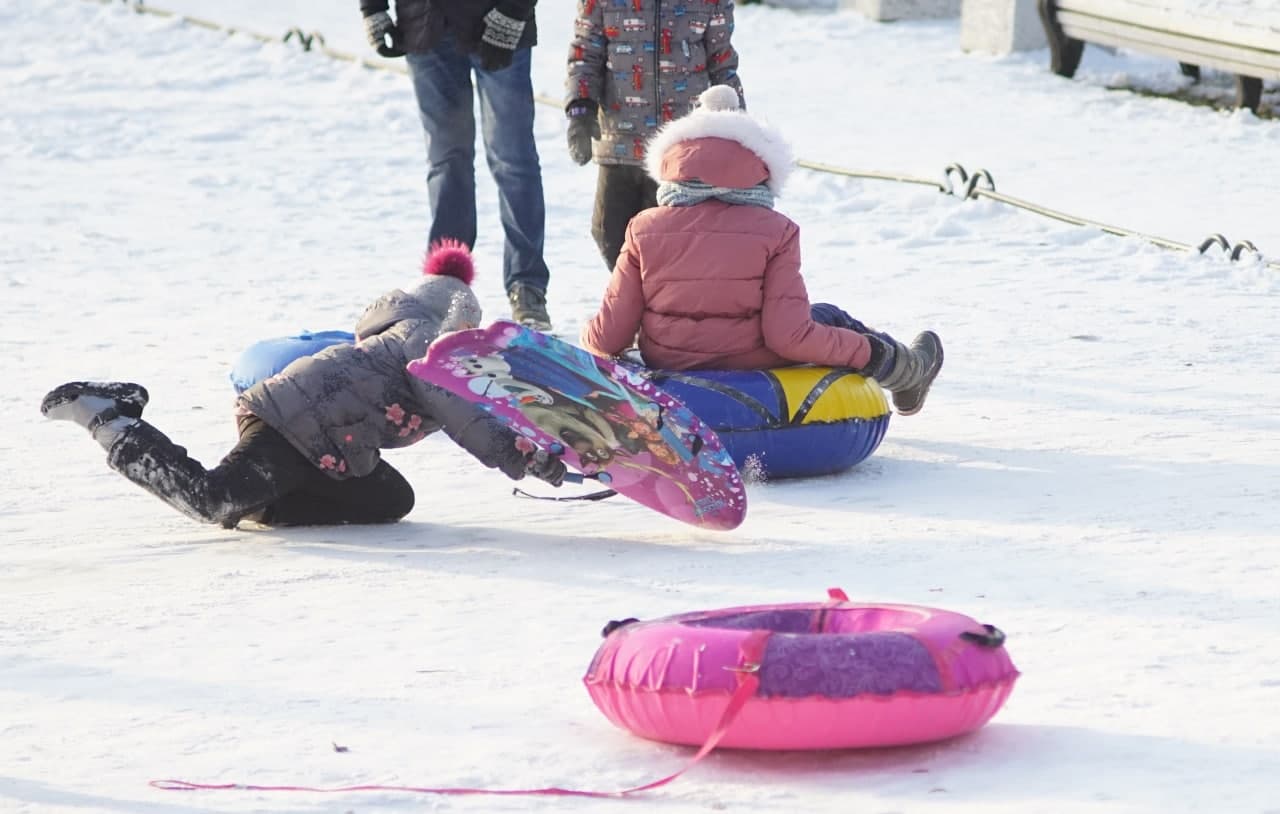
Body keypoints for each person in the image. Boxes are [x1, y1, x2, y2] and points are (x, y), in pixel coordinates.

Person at [40, 242, 566, 529]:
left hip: (333, 442)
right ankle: (112, 417)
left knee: (389, 501)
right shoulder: (424, 346)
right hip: (292, 426)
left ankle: (264, 502)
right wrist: (521, 456)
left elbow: (476, 404)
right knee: (212, 500)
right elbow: (464, 416)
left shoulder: (406, 336)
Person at [579, 86, 944, 416]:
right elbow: (789, 336)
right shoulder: (776, 231)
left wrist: (586, 337)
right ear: (759, 167)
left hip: (672, 362)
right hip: (750, 364)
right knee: (829, 317)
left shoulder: (644, 227)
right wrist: (865, 350)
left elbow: (611, 334)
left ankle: (907, 371)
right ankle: (906, 370)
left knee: (822, 318)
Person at [360, 0, 553, 331]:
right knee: (447, 161)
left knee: (512, 158)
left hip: (498, 23)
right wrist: (373, 10)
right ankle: (445, 284)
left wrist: (512, 13)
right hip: (425, 25)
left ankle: (527, 286)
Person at [565, 0, 745, 272]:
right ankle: (635, 302)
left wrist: (738, 130)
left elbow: (722, 63)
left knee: (673, 242)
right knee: (611, 234)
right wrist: (581, 108)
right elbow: (585, 52)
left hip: (681, 148)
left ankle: (662, 307)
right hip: (620, 141)